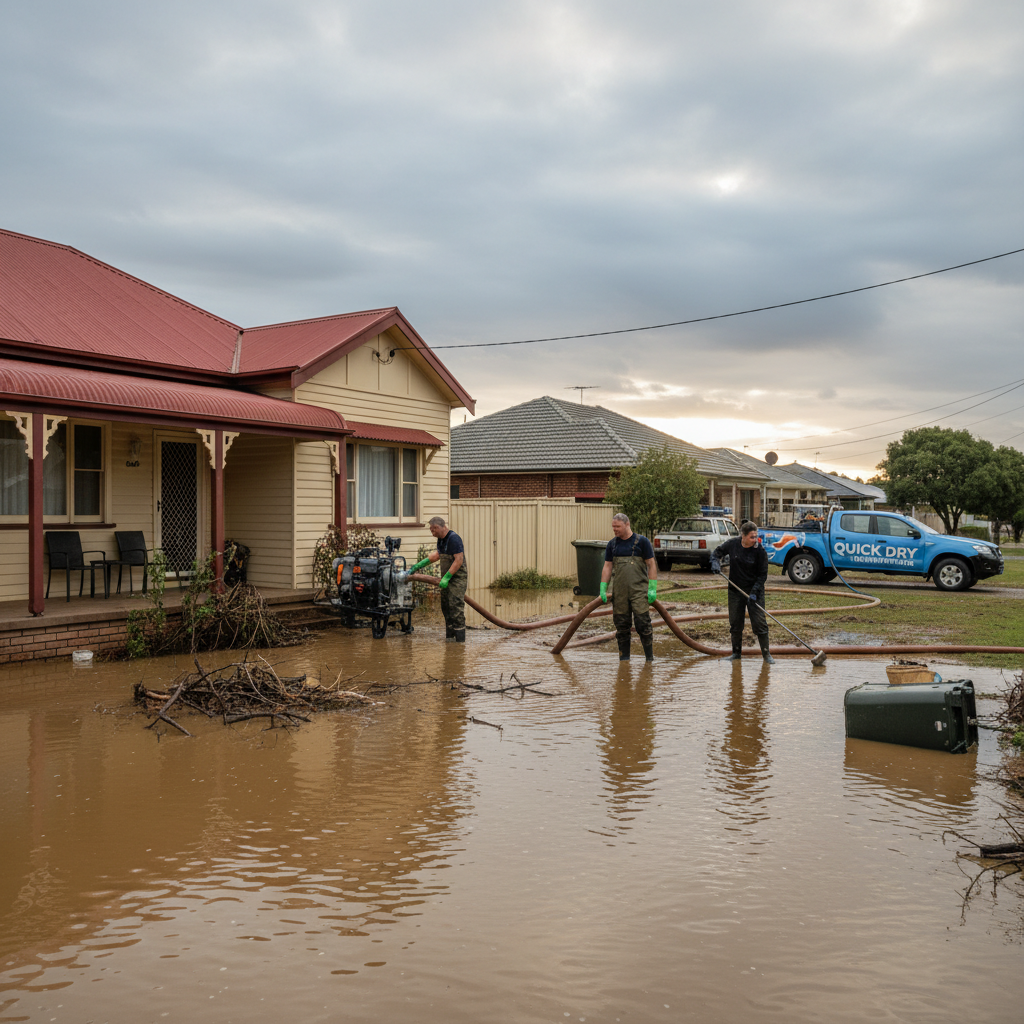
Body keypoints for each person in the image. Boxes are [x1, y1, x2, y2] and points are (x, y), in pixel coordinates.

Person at [710, 521, 774, 663]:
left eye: (756, 537)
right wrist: (715, 562)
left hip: (754, 591)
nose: (755, 540)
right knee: (735, 622)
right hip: (735, 590)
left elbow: (763, 575)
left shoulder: (760, 551)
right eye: (752, 537)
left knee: (759, 623)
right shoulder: (733, 544)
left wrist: (754, 592)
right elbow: (716, 553)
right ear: (743, 536)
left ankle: (766, 655)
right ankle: (736, 653)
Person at [599, 512, 658, 662]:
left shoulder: (642, 542)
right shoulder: (612, 544)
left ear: (627, 524)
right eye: (613, 527)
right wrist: (603, 588)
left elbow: (651, 565)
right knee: (622, 626)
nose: (615, 530)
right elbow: (607, 566)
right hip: (620, 592)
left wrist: (652, 587)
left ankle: (649, 659)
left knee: (643, 624)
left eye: (617, 527)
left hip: (639, 591)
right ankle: (624, 660)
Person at [407, 516, 468, 642]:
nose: (432, 533)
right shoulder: (441, 540)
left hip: (457, 579)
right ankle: (450, 640)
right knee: (445, 607)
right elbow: (436, 556)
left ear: (439, 527)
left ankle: (460, 643)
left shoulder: (454, 539)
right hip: (446, 579)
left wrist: (446, 577)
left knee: (455, 607)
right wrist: (418, 565)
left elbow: (459, 560)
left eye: (433, 530)